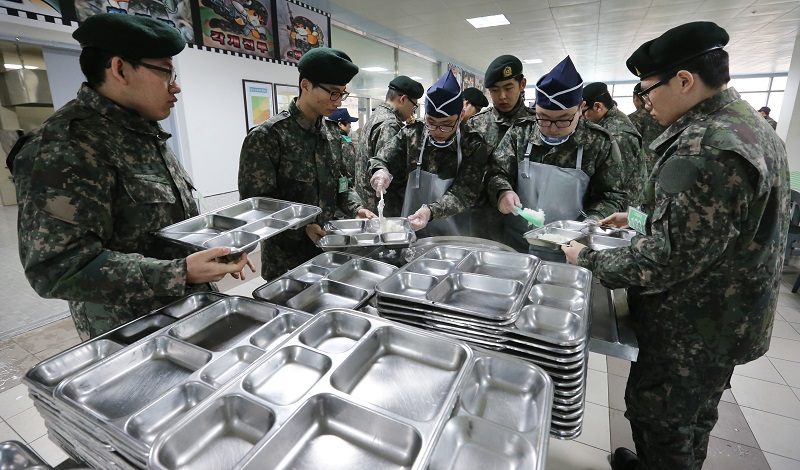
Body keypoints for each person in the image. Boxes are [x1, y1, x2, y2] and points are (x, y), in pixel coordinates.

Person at [562, 22, 789, 470]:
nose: (645, 102)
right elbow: (717, 224)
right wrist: (639, 216)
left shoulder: (705, 147)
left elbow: (667, 257)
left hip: (694, 325)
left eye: (648, 90)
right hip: (727, 317)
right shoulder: (747, 127)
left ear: (684, 81)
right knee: (694, 417)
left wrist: (586, 257)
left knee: (663, 421)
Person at [11, 14, 253, 340]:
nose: (176, 85)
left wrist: (213, 253)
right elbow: (56, 269)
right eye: (166, 72)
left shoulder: (141, 131)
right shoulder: (66, 145)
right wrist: (179, 272)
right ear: (120, 69)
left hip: (188, 313)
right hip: (132, 335)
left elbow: (159, 227)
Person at [238, 48, 374, 281]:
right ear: (305, 85)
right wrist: (302, 228)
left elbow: (344, 186)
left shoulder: (332, 136)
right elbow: (258, 207)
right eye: (332, 93)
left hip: (330, 254)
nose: (338, 101)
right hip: (287, 264)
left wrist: (356, 208)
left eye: (342, 94)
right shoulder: (269, 136)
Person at [487, 56, 627, 256]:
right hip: (517, 242)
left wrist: (592, 221)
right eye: (543, 118)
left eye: (563, 120)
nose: (551, 129)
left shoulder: (598, 142)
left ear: (580, 109)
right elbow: (496, 172)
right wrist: (502, 192)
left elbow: (611, 196)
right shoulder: (521, 133)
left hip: (571, 246)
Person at [368, 70, 491, 236]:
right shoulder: (412, 134)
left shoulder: (473, 145)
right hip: (412, 229)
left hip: (453, 234)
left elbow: (464, 193)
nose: (438, 131)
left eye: (446, 124)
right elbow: (381, 159)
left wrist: (431, 211)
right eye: (431, 122)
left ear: (461, 116)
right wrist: (380, 171)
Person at [466, 55, 536, 242]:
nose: (502, 96)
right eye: (495, 90)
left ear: (522, 85)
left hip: (526, 219)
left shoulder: (538, 125)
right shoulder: (476, 125)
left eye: (508, 88)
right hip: (484, 221)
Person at [355, 75, 423, 212]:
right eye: (414, 106)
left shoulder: (376, 116)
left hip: (366, 200)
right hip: (381, 205)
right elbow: (388, 167)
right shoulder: (390, 125)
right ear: (403, 99)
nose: (412, 111)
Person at [582, 82, 645, 206]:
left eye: (584, 112)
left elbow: (616, 186)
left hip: (620, 210)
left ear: (598, 107)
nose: (582, 118)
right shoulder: (611, 120)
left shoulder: (617, 135)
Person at [629, 82, 668, 174]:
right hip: (666, 164)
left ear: (636, 97)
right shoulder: (667, 115)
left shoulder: (632, 119)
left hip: (644, 169)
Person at [324, 107, 359, 182]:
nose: (350, 126)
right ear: (340, 124)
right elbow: (350, 168)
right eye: (349, 122)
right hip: (342, 184)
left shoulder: (323, 137)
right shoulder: (343, 141)